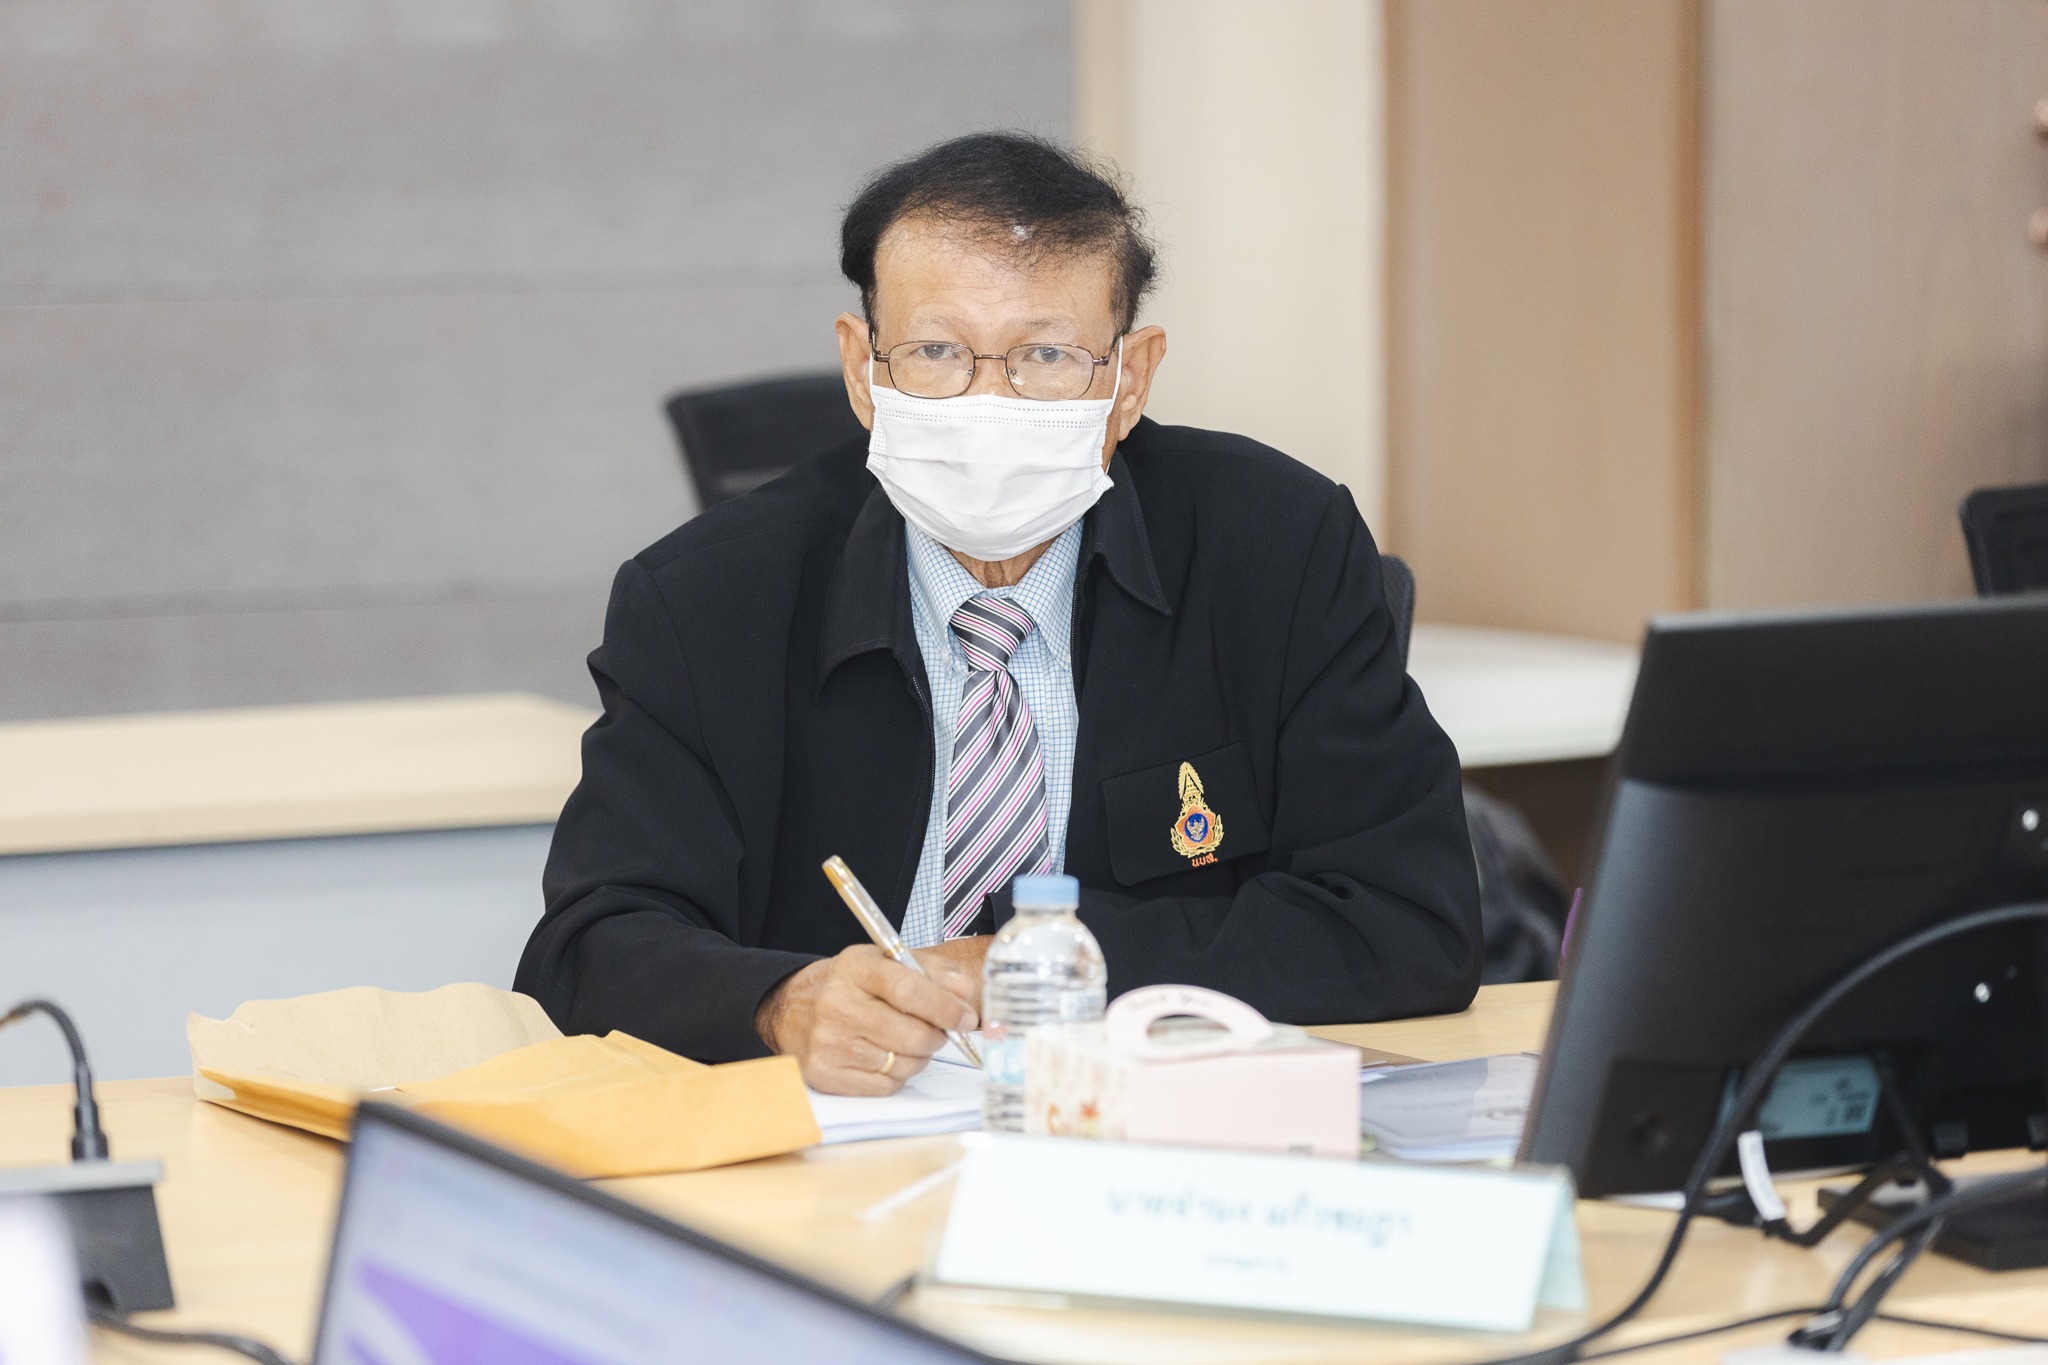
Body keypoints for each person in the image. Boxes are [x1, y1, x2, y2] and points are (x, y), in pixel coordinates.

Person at [516, 132, 1481, 1096]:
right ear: (862, 368)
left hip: (1158, 1124)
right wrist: (778, 1003)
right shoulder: (709, 597)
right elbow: (587, 947)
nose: (987, 401)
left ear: (1129, 379)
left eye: (1046, 354)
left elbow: (1409, 919)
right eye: (936, 351)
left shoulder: (1276, 550)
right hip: (845, 1140)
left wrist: (1035, 966)